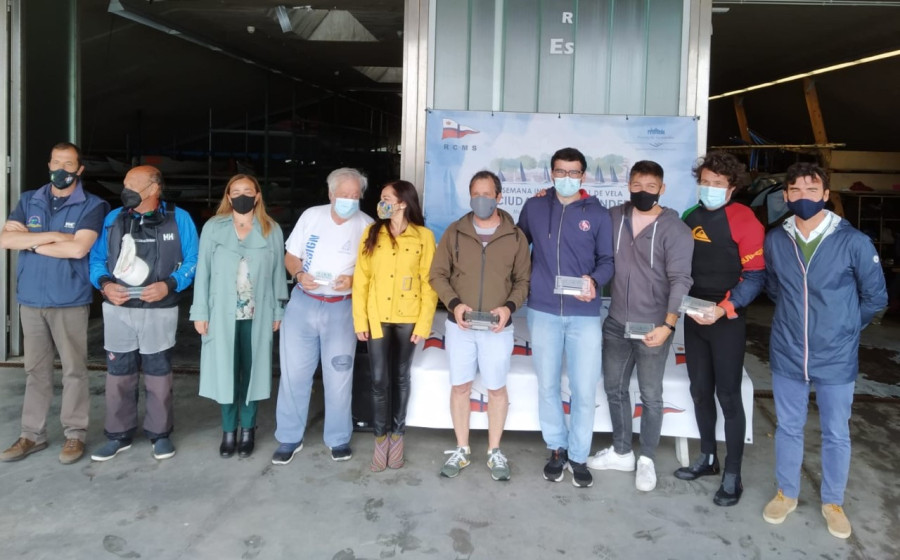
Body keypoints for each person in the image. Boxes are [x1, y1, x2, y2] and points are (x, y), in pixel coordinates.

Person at [761, 162, 886, 539]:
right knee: (788, 427)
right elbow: (774, 288)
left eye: (812, 190)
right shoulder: (776, 239)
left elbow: (875, 296)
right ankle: (786, 493)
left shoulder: (853, 241)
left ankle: (833, 502)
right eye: (795, 190)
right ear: (785, 195)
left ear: (826, 195)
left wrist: (844, 327)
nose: (803, 197)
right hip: (788, 350)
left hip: (836, 355)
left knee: (836, 431)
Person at [0, 142, 109, 465]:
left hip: (69, 299)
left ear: (80, 169)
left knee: (74, 370)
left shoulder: (93, 205)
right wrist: (55, 237)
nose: (62, 169)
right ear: (49, 164)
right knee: (35, 371)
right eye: (56, 162)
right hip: (30, 299)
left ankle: (75, 434)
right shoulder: (29, 200)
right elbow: (6, 239)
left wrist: (30, 242)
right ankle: (31, 435)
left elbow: (78, 249)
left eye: (69, 164)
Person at [587, 160, 693, 492]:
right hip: (617, 322)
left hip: (654, 327)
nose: (643, 191)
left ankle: (646, 458)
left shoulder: (675, 229)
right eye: (636, 185)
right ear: (628, 185)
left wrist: (668, 325)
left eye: (650, 186)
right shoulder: (614, 217)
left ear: (662, 188)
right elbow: (583, 213)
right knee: (614, 389)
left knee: (650, 395)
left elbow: (681, 280)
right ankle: (622, 452)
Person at [517, 148, 614, 488]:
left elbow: (607, 261)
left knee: (584, 389)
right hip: (542, 309)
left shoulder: (598, 214)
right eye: (561, 171)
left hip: (584, 314)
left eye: (574, 172)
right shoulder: (534, 207)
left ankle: (579, 455)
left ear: (583, 175)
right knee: (547, 385)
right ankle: (557, 448)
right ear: (551, 173)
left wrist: (594, 281)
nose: (567, 178)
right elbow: (517, 247)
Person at [89, 165, 199, 462]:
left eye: (132, 184)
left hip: (159, 309)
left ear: (154, 188)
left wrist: (170, 284)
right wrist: (104, 284)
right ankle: (118, 435)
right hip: (118, 308)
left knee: (158, 372)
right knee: (118, 374)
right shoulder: (114, 218)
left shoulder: (179, 218)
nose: (125, 189)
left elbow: (194, 259)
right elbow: (96, 258)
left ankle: (159, 434)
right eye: (125, 183)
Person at [430, 170, 530, 481]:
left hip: (497, 327)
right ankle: (461, 449)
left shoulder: (515, 236)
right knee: (460, 386)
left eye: (487, 194)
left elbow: (523, 281)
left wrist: (508, 308)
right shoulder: (455, 232)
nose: (481, 200)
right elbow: (437, 274)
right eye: (476, 194)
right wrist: (454, 304)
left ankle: (494, 450)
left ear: (499, 197)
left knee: (496, 388)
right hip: (460, 326)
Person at [678, 152, 765, 506]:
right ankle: (708, 458)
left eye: (718, 183)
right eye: (705, 182)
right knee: (700, 390)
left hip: (726, 317)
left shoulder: (745, 220)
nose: (710, 188)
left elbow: (755, 276)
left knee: (728, 395)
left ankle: (733, 474)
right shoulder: (689, 216)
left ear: (731, 188)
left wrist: (724, 309)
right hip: (694, 314)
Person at [273, 167, 373, 465]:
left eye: (355, 196)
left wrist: (353, 280)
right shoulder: (311, 216)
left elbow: (375, 271)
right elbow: (291, 256)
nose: (349, 201)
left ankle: (338, 438)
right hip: (304, 303)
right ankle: (289, 437)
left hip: (342, 306)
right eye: (344, 195)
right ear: (330, 194)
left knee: (339, 375)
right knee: (294, 374)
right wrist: (299, 274)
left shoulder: (367, 226)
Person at [190, 174, 288, 459]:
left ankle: (248, 429)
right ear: (228, 196)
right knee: (226, 373)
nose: (241, 195)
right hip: (221, 314)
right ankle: (228, 431)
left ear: (257, 196)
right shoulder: (213, 227)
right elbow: (203, 272)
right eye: (235, 191)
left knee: (253, 373)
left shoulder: (271, 229)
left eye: (247, 190)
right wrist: (200, 312)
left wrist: (278, 310)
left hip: (258, 314)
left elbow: (277, 275)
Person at [353, 180, 438, 471]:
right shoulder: (371, 233)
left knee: (401, 377)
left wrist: (423, 324)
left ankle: (397, 437)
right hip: (377, 316)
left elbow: (429, 283)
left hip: (408, 318)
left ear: (403, 202)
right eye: (381, 198)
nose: (382, 203)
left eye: (387, 198)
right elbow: (361, 280)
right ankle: (380, 439)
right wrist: (360, 320)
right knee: (379, 380)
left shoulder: (423, 237)